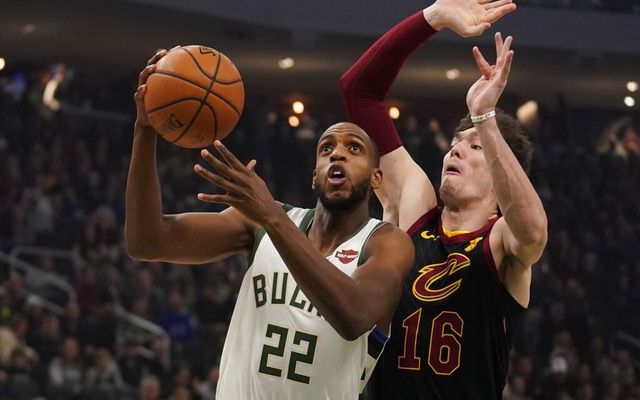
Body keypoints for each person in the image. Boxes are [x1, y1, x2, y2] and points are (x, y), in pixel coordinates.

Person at [126, 50, 414, 399]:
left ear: (376, 178)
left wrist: (272, 217)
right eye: (326, 149)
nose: (337, 154)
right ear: (315, 175)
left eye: (354, 149)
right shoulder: (260, 222)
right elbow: (147, 241)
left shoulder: (387, 243)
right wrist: (145, 130)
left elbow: (354, 316)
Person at [340, 0, 548, 398]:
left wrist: (484, 118)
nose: (455, 150)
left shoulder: (501, 239)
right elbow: (359, 92)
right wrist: (432, 17)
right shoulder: (415, 207)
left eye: (474, 146)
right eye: (455, 143)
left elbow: (534, 232)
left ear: (501, 172)